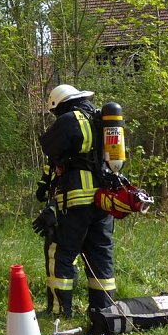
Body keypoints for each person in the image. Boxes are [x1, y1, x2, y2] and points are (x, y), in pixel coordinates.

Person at [34, 84, 116, 321]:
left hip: (76, 201)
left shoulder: (70, 119)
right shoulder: (102, 120)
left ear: (60, 105)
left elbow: (49, 145)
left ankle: (59, 311)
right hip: (104, 201)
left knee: (61, 252)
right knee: (100, 255)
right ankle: (104, 311)